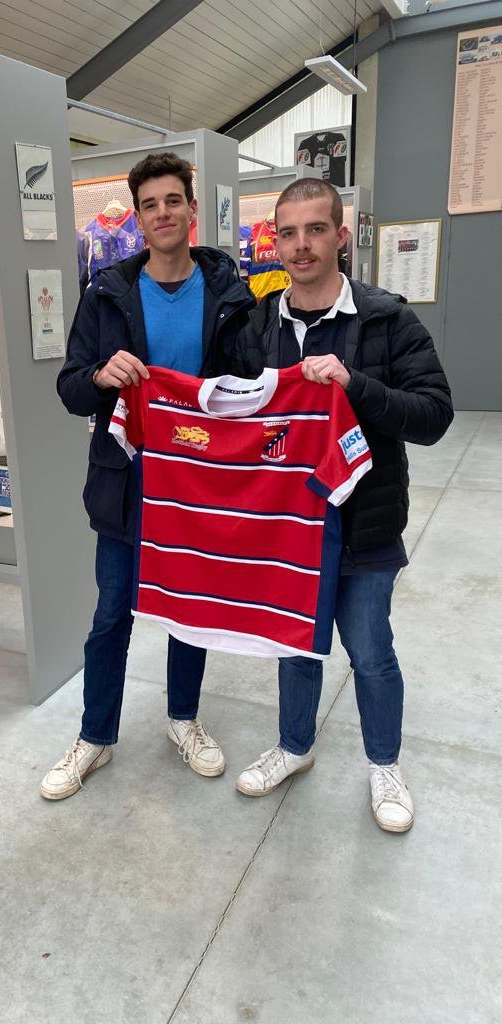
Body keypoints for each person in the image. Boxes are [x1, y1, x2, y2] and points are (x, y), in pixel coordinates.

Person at [228, 178, 453, 832]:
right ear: (275, 240)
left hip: (364, 526)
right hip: (286, 531)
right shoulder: (256, 326)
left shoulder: (387, 319)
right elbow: (229, 410)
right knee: (295, 647)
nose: (301, 246)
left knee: (370, 650)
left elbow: (434, 415)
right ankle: (295, 747)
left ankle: (385, 765)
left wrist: (357, 387)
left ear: (341, 236)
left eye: (316, 230)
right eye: (289, 232)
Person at [46, 152, 254, 800]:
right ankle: (95, 735)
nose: (161, 213)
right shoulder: (106, 293)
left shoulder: (230, 296)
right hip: (127, 482)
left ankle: (184, 720)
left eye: (172, 201)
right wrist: (100, 377)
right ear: (136, 219)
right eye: (149, 205)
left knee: (190, 613)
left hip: (198, 484)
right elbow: (69, 386)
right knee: (112, 614)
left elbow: (252, 386)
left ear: (193, 210)